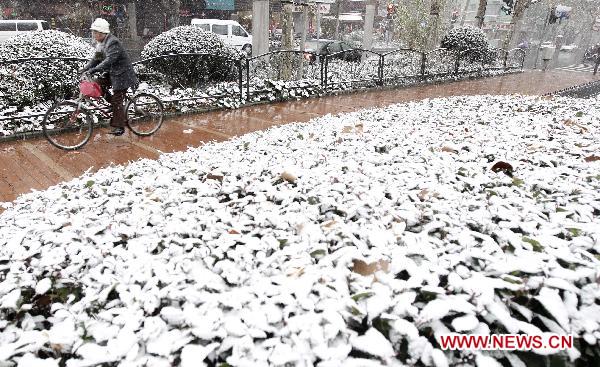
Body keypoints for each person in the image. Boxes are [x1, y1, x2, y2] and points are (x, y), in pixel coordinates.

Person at [80, 18, 138, 136]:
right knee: (97, 85)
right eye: (93, 32)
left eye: (95, 32)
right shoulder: (101, 43)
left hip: (122, 74)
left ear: (102, 33)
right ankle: (114, 107)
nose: (93, 35)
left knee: (117, 100)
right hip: (113, 73)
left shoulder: (112, 42)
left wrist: (94, 70)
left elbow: (109, 60)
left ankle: (120, 127)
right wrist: (85, 69)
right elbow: (96, 59)